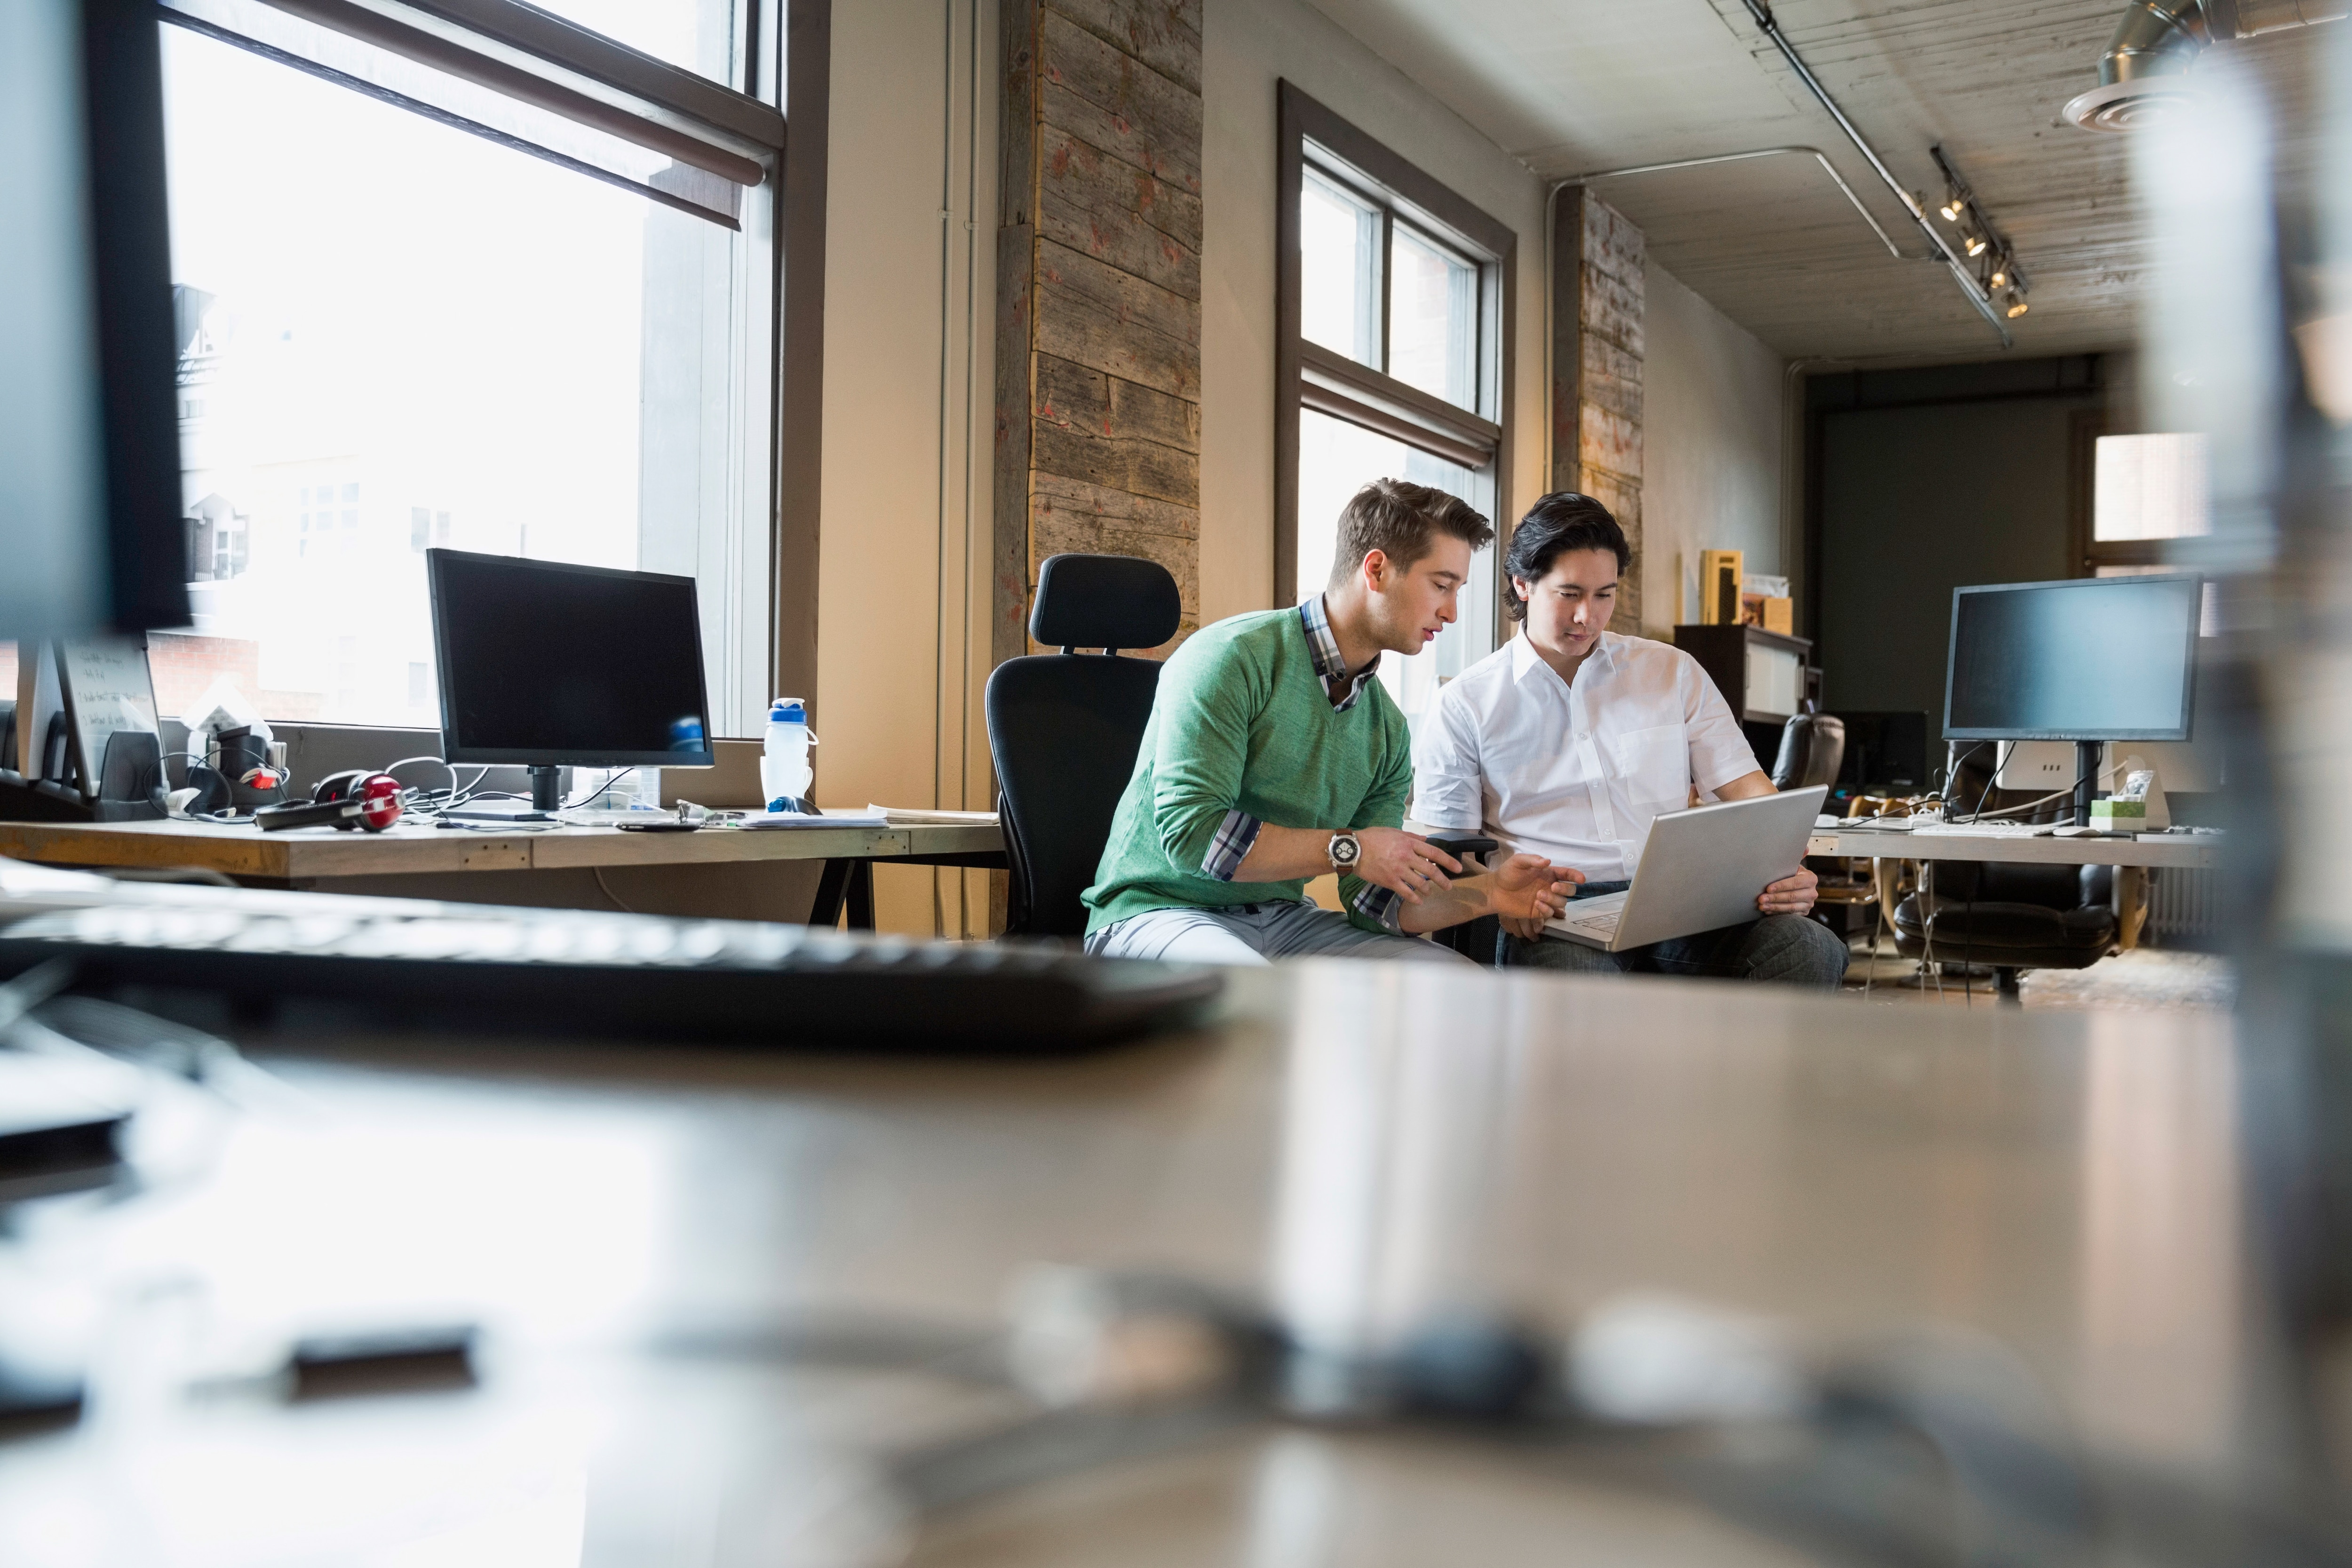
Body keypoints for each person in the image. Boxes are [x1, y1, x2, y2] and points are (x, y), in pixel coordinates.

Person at [1082, 479, 1582, 966]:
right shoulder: (1231, 659)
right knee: (1255, 997)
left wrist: (1491, 893)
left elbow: (1372, 901)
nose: (1450, 612)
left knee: (1456, 984)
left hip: (1281, 920)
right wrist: (1350, 848)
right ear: (1377, 569)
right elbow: (1192, 837)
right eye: (1440, 585)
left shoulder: (1386, 728)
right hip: (1155, 913)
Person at [1410, 492, 1849, 986]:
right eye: (1569, 594)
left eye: (1604, 595)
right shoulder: (1467, 703)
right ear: (1523, 584)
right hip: (1553, 911)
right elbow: (1445, 854)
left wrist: (1783, 864)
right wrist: (1496, 893)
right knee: (1580, 990)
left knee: (1809, 950)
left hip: (1678, 901)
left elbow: (1747, 789)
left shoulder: (1670, 671)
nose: (1588, 617)